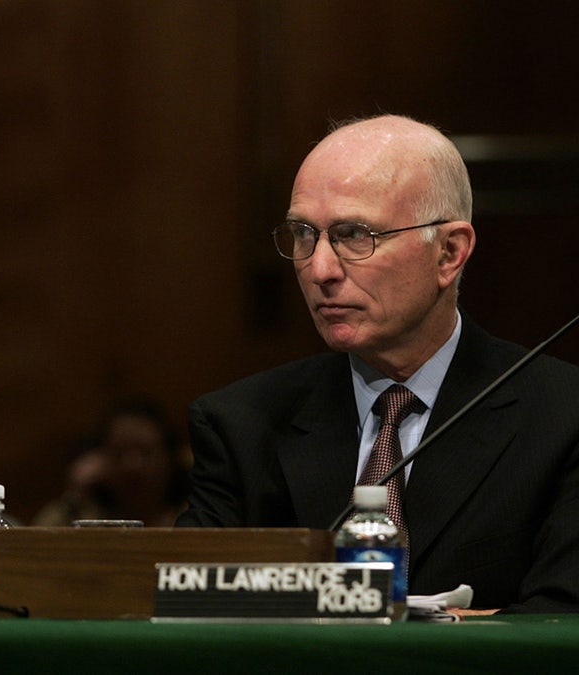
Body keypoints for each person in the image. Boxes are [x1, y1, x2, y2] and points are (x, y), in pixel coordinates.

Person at [176, 114, 579, 613]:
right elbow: (189, 606)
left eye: (354, 235)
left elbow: (561, 623)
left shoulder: (562, 417)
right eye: (304, 235)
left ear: (449, 252)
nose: (319, 269)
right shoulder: (241, 424)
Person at [34, 398, 191, 528]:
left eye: (146, 453)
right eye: (119, 454)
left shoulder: (195, 517)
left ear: (170, 458)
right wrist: (76, 499)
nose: (133, 465)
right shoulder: (81, 512)